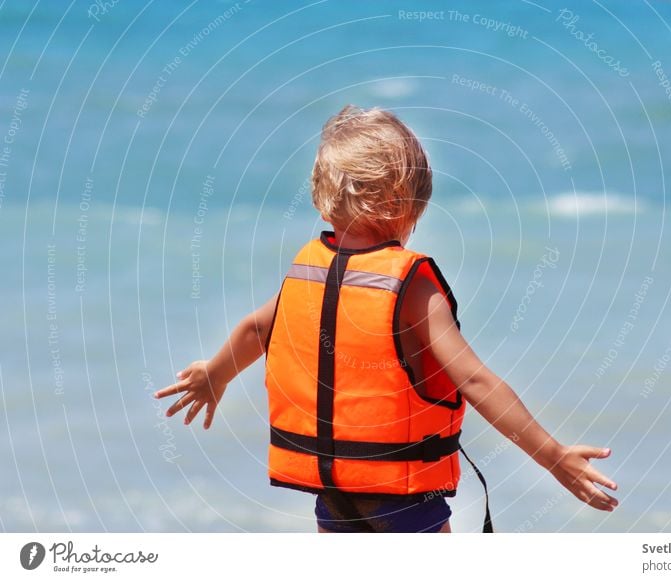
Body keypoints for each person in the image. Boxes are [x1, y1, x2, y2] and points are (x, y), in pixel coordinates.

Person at [154, 104, 618, 533]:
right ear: (404, 202)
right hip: (404, 498)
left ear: (321, 196)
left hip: (332, 493)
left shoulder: (311, 271)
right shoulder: (410, 283)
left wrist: (216, 374)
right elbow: (476, 381)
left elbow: (257, 329)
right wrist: (551, 456)